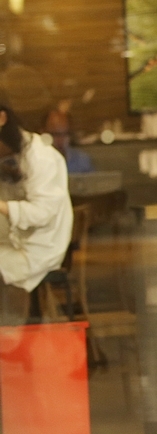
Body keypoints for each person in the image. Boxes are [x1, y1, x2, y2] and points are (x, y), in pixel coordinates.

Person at [0, 104, 73, 318]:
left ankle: (12, 331)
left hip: (40, 246)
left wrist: (3, 207)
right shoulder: (9, 153)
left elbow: (43, 213)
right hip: (11, 240)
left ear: (1, 118)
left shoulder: (40, 156)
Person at [43, 108, 94, 174]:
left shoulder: (82, 161)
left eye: (66, 134)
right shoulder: (35, 161)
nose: (61, 140)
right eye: (55, 134)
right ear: (43, 133)